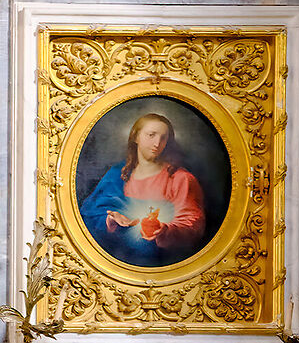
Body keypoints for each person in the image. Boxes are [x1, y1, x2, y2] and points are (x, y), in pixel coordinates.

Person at [79, 110, 209, 265]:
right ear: (135, 137)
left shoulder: (181, 179)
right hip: (114, 264)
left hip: (162, 266)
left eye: (163, 138)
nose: (157, 143)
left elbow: (193, 226)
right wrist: (110, 220)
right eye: (151, 135)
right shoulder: (116, 174)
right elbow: (88, 213)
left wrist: (164, 230)